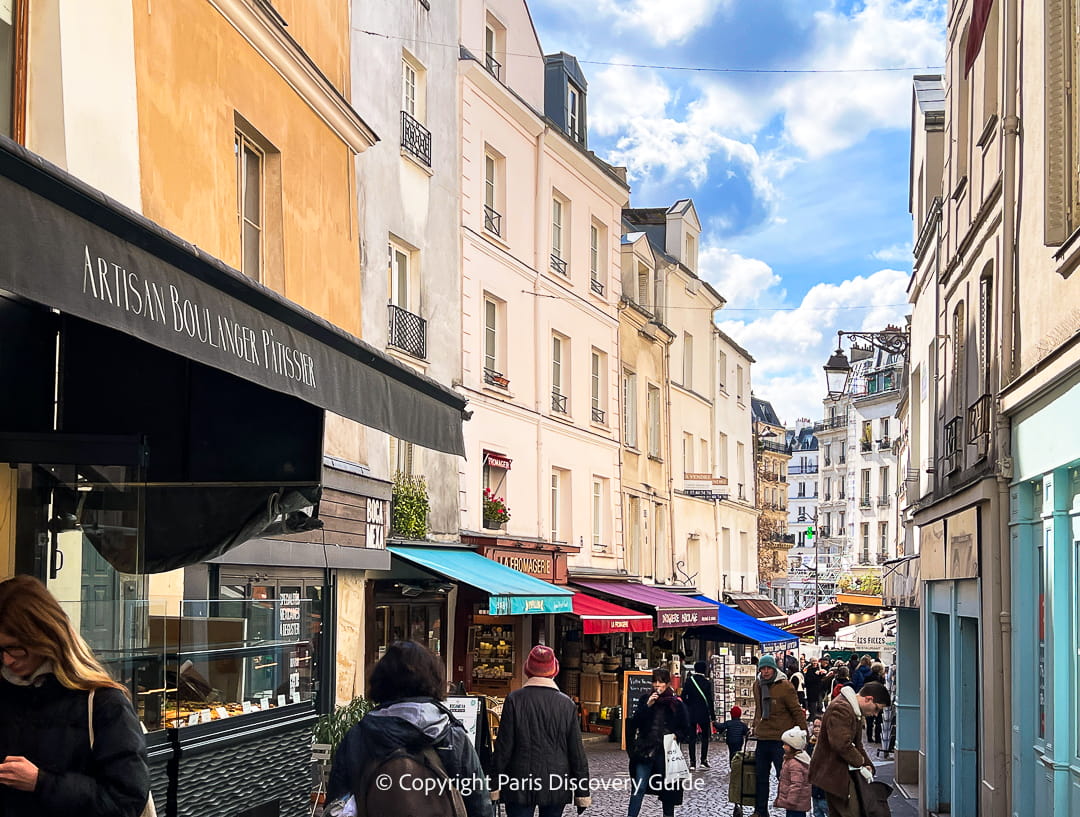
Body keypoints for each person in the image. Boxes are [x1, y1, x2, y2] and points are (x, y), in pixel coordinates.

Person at [0, 574, 151, 817]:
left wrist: (42, 782)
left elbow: (125, 801)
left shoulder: (104, 703)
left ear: (45, 636)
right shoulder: (6, 694)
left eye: (15, 647)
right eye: (1, 650)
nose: (8, 660)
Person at [328, 641, 491, 817]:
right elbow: (479, 805)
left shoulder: (360, 735)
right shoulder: (452, 736)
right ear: (435, 679)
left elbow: (337, 804)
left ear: (380, 680)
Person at [491, 645, 590, 817]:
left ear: (527, 669)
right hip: (555, 781)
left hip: (518, 780)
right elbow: (576, 752)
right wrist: (582, 792)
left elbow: (503, 748)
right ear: (554, 670)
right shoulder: (566, 704)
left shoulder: (514, 700)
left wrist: (494, 785)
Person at [808, 680, 892, 817]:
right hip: (835, 775)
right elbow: (841, 744)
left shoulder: (852, 709)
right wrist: (861, 764)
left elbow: (857, 744)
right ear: (868, 699)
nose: (876, 714)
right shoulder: (842, 708)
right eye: (877, 708)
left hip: (839, 775)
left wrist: (867, 764)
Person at [626, 667, 690, 817]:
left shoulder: (675, 703)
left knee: (668, 792)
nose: (656, 685)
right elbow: (635, 723)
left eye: (660, 682)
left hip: (666, 754)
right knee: (639, 787)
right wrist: (647, 706)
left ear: (667, 684)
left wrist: (676, 735)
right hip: (646, 750)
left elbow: (686, 727)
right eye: (654, 681)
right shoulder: (645, 700)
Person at [749, 654, 808, 817]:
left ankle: (793, 812)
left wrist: (804, 734)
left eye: (769, 668)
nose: (766, 671)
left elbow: (796, 711)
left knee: (786, 777)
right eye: (763, 668)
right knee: (760, 777)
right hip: (763, 738)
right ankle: (760, 811)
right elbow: (759, 709)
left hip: (781, 740)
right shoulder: (757, 684)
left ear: (774, 668)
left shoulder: (785, 686)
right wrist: (755, 725)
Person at [681, 660, 715, 770]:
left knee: (692, 738)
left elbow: (682, 697)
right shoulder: (707, 683)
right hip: (703, 713)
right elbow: (709, 700)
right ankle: (703, 760)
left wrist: (688, 706)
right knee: (705, 737)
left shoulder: (689, 681)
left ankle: (692, 763)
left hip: (691, 713)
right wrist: (713, 716)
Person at [774, 726, 811, 817]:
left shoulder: (795, 764)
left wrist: (791, 800)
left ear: (793, 746)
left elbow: (797, 784)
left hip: (795, 804)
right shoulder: (792, 760)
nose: (783, 746)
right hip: (796, 804)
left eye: (785, 744)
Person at [863, 663, 886, 744]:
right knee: (878, 721)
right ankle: (877, 738)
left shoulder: (867, 677)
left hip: (868, 700)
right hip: (878, 701)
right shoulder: (880, 679)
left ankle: (869, 737)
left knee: (869, 721)